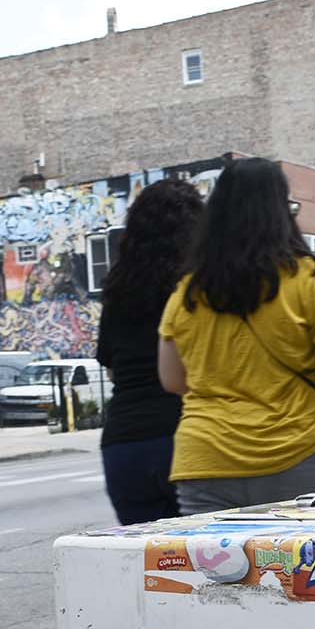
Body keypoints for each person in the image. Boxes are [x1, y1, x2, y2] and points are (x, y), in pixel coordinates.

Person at [158, 157, 315, 511]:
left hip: (206, 459)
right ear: (283, 210)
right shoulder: (312, 278)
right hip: (305, 454)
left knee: (218, 566)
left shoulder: (188, 292)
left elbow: (172, 378)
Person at [95, 178, 205, 524]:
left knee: (146, 565)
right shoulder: (199, 287)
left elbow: (112, 367)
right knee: (203, 567)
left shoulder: (118, 288)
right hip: (187, 435)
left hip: (124, 443)